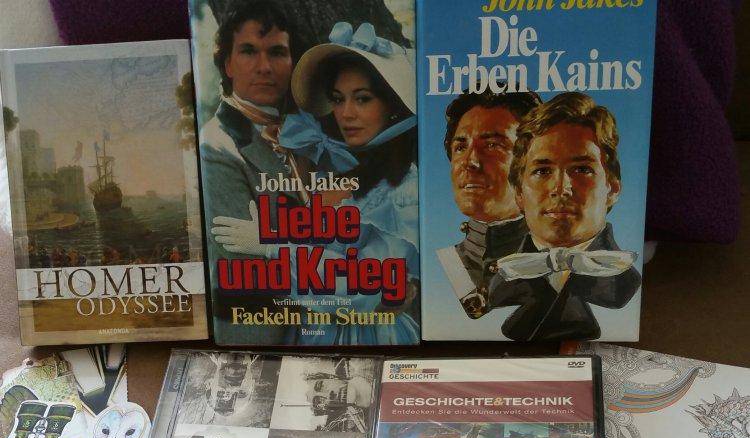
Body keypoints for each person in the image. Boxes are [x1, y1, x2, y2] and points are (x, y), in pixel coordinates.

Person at [213, 22, 420, 344]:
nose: (346, 113)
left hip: (368, 336)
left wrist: (272, 248)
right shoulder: (332, 170)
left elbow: (372, 285)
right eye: (338, 99)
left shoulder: (405, 188)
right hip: (308, 334)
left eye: (362, 99)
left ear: (393, 106)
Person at [488, 92, 641, 341]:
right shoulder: (500, 282)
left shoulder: (627, 284)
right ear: (519, 194)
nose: (561, 188)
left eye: (582, 169)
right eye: (543, 171)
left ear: (612, 189)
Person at [200, 0, 305, 344]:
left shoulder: (309, 135)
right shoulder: (215, 147)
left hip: (324, 327)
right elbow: (244, 261)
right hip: (259, 336)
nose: (264, 67)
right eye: (248, 51)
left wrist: (270, 240)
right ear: (227, 64)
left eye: (277, 52)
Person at [438, 89, 541, 318]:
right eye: (460, 147)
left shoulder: (557, 267)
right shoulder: (436, 265)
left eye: (492, 145)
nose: (470, 161)